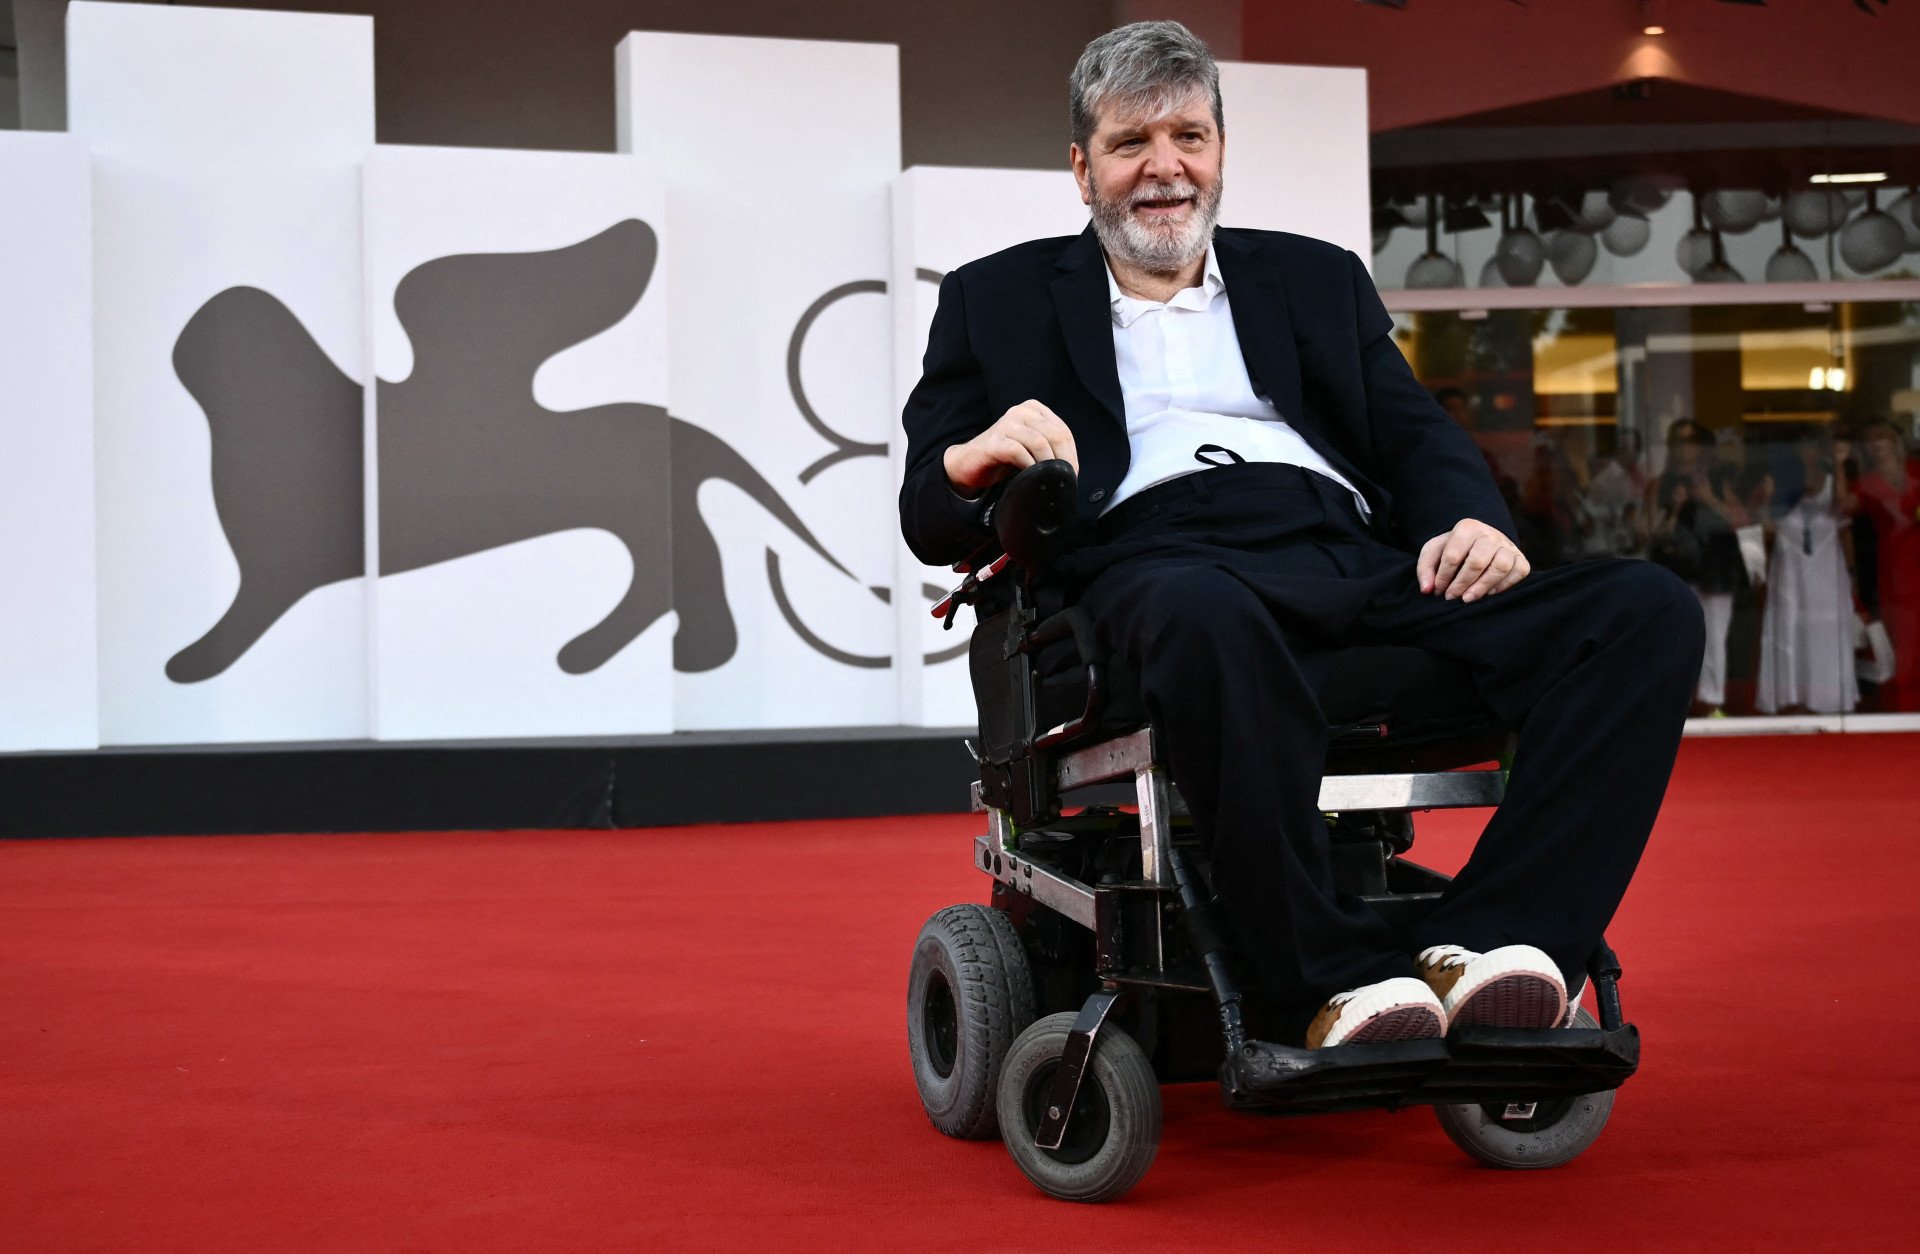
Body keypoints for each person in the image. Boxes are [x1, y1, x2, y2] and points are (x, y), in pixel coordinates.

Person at [898, 22, 1703, 1049]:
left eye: (1188, 135)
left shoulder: (1311, 279)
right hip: (1156, 564)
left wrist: (1470, 521)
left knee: (1643, 612)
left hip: (1347, 559)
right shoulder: (996, 299)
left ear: (1221, 150)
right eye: (1130, 142)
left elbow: (1414, 433)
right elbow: (929, 513)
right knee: (1205, 609)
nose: (1164, 167)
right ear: (1082, 167)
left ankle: (1500, 940)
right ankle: (1326, 982)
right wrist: (971, 461)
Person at [1648, 420, 1750, 715]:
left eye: (1690, 442)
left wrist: (1710, 500)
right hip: (1675, 568)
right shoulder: (1660, 483)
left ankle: (1712, 701)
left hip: (1715, 568)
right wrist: (1675, 508)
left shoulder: (1716, 480)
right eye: (1678, 442)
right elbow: (1650, 532)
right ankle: (1674, 702)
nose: (1683, 449)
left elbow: (1742, 521)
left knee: (1715, 636)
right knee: (1673, 637)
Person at [1756, 428, 1858, 714]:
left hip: (1826, 573)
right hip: (1789, 572)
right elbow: (1763, 528)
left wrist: (1839, 464)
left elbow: (1843, 511)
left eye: (1811, 447)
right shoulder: (1777, 485)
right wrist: (1766, 501)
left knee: (1824, 634)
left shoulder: (1832, 482)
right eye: (1800, 448)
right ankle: (1790, 699)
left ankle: (1827, 700)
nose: (1806, 454)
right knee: (1790, 631)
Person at [1852, 419, 1920, 710]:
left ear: (1895, 441)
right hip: (1895, 564)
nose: (1879, 446)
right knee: (1904, 632)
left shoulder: (1916, 470)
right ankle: (1907, 702)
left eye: (1883, 438)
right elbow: (1842, 509)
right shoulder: (1865, 483)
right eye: (1872, 442)